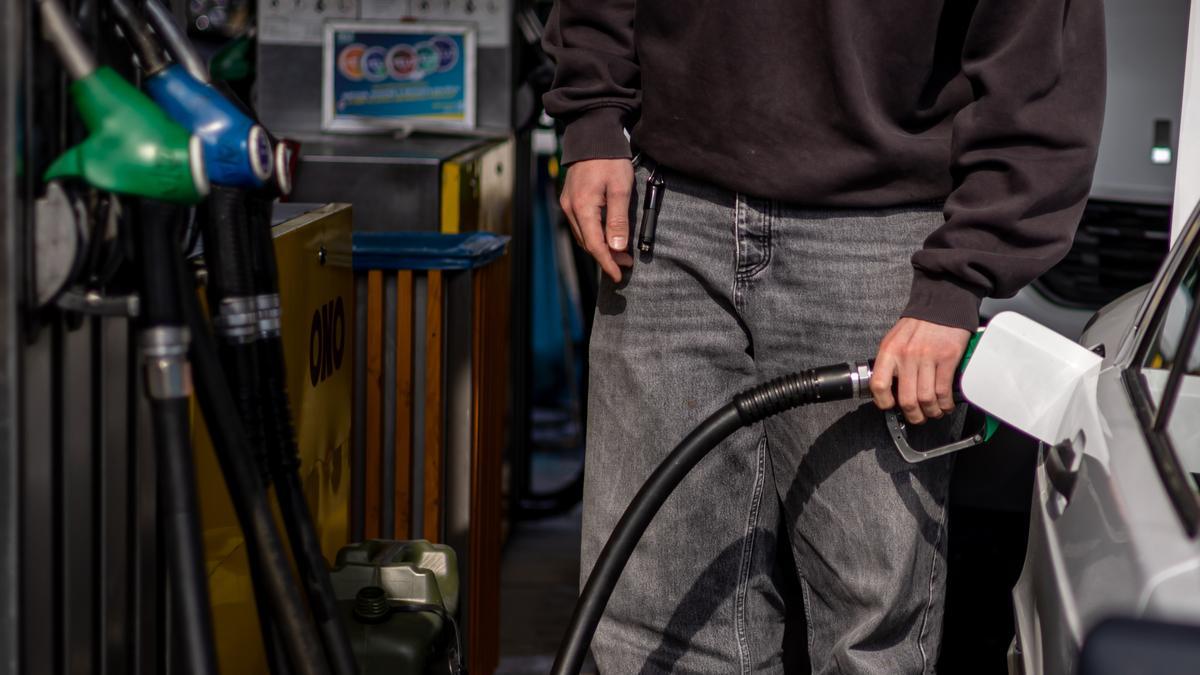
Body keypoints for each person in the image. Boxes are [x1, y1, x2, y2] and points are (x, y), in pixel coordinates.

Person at [543, 2, 1105, 673]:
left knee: (867, 642)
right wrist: (594, 116)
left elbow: (1039, 62)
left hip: (880, 236)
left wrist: (958, 278)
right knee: (658, 625)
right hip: (668, 214)